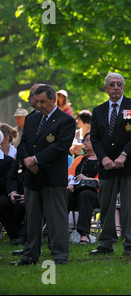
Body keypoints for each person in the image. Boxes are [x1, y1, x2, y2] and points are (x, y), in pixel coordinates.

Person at [13, 84, 76, 265]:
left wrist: (36, 159)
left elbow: (60, 147)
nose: (38, 105)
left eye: (43, 102)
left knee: (56, 219)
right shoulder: (32, 119)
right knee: (32, 219)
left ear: (53, 100)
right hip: (32, 176)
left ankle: (59, 255)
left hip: (52, 177)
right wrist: (27, 161)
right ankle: (30, 255)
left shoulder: (65, 120)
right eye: (36, 101)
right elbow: (23, 143)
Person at [90, 72, 131, 256]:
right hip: (106, 166)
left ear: (123, 87)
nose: (116, 87)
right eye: (112, 84)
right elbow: (95, 138)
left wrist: (124, 155)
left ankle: (130, 244)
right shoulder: (98, 110)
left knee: (130, 207)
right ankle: (106, 244)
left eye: (119, 84)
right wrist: (103, 158)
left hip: (129, 165)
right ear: (106, 88)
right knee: (106, 206)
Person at [67, 132, 99, 245]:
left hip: (95, 195)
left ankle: (84, 234)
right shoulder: (79, 159)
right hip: (75, 192)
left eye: (88, 140)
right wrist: (70, 184)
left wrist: (86, 178)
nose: (85, 143)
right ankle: (57, 232)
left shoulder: (103, 160)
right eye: (84, 140)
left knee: (85, 194)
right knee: (63, 195)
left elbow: (104, 181)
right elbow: (69, 176)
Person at [0, 131, 20, 243]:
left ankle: (15, 234)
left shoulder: (7, 161)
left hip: (4, 193)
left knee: (2, 203)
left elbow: (6, 181)